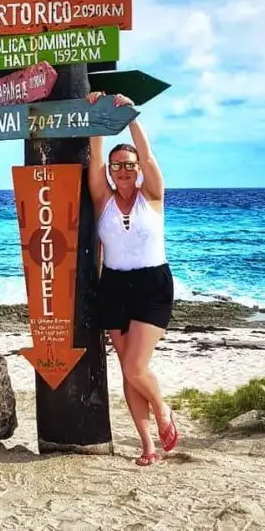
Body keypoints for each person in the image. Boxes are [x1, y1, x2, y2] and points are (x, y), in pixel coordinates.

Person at [87, 90, 178, 466]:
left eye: (129, 164)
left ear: (138, 168)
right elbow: (94, 155)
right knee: (127, 370)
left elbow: (150, 154)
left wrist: (130, 117)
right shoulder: (102, 199)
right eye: (117, 165)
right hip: (113, 286)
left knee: (135, 367)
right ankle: (147, 446)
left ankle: (162, 410)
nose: (123, 170)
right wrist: (96, 117)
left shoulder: (152, 196)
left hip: (152, 285)